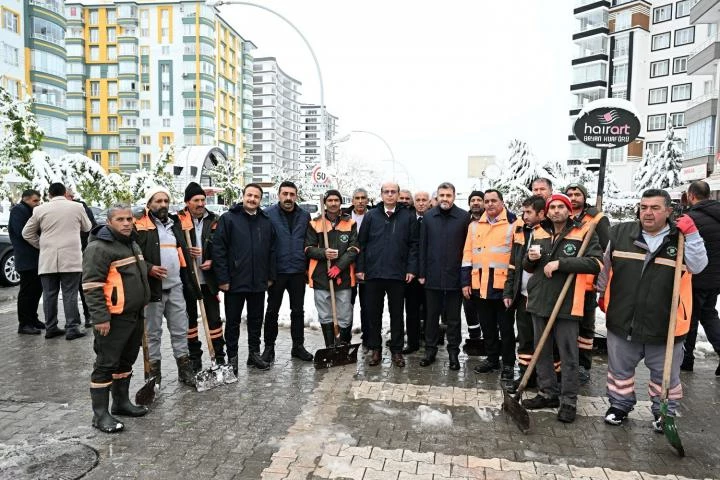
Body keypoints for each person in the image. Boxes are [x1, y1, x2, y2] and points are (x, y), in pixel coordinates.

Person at [598, 189, 707, 430]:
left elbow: (698, 266)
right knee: (620, 371)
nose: (648, 212)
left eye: (655, 208)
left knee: (664, 375)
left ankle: (663, 411)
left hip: (666, 322)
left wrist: (693, 234)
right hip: (623, 318)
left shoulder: (680, 238)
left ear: (668, 211)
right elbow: (606, 267)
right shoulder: (621, 233)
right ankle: (619, 405)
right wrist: (602, 294)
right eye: (644, 207)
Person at [521, 193, 603, 423]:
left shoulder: (583, 232)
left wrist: (561, 264)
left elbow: (596, 263)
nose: (556, 211)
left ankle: (569, 400)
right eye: (552, 207)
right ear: (546, 212)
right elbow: (527, 267)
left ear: (568, 210)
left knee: (568, 355)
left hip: (567, 302)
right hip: (539, 301)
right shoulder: (538, 232)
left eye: (561, 207)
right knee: (542, 351)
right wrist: (530, 258)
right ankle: (547, 393)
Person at [83, 205, 151, 433]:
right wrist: (100, 317)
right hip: (112, 319)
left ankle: (121, 403)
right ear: (109, 222)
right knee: (105, 364)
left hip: (133, 315)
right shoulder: (99, 248)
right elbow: (92, 286)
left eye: (129, 219)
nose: (126, 223)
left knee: (125, 362)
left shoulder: (131, 243)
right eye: (120, 219)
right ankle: (100, 415)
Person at [135, 186, 197, 387]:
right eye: (158, 201)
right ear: (149, 203)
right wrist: (149, 268)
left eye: (165, 201)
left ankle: (185, 371)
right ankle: (154, 375)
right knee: (153, 333)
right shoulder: (140, 224)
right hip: (153, 290)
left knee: (180, 329)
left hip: (176, 286)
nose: (163, 205)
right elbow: (131, 257)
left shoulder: (174, 224)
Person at [212, 184, 276, 374]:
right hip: (234, 281)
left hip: (258, 281)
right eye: (249, 195)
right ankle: (232, 358)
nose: (252, 199)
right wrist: (222, 278)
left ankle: (254, 354)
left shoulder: (266, 221)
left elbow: (272, 250)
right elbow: (219, 250)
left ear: (260, 199)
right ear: (243, 196)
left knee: (256, 320)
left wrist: (270, 276)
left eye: (256, 196)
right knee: (232, 322)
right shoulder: (229, 219)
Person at [357, 182, 419, 367]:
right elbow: (362, 243)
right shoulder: (371, 216)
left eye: (393, 192)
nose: (390, 195)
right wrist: (360, 268)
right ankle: (376, 349)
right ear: (381, 194)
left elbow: (414, 245)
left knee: (397, 314)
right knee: (373, 313)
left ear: (399, 195)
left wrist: (411, 269)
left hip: (397, 275)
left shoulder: (408, 217)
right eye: (386, 192)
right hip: (374, 274)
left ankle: (397, 350)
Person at [22, 182, 92, 340]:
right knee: (70, 294)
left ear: (49, 194)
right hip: (71, 257)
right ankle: (72, 328)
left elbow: (26, 233)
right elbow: (87, 227)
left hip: (48, 258)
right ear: (64, 192)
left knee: (49, 294)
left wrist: (41, 244)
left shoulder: (40, 209)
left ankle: (51, 327)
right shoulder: (77, 207)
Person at [462, 189, 517, 382]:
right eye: (487, 201)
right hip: (480, 284)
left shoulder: (513, 224)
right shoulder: (475, 226)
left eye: (494, 200)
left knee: (507, 329)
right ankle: (492, 359)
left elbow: (516, 258)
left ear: (502, 202)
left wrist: (511, 286)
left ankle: (509, 363)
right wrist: (465, 281)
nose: (490, 204)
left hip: (503, 287)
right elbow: (467, 255)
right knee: (488, 327)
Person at [261, 181, 313, 363]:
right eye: (285, 194)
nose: (288, 198)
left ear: (296, 196)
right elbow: (264, 245)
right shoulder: (268, 215)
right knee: (272, 311)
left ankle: (298, 346)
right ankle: (269, 348)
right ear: (279, 195)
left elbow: (309, 243)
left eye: (292, 194)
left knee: (298, 311)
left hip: (298, 271)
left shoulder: (305, 216)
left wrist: (307, 269)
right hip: (277, 271)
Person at [419, 182, 468, 370]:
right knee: (431, 317)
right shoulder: (429, 217)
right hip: (432, 276)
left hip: (455, 278)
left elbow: (467, 249)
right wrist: (422, 273)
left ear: (454, 196)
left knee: (454, 319)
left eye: (448, 195)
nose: (445, 199)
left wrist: (465, 277)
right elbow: (423, 246)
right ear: (437, 197)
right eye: (442, 195)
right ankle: (430, 351)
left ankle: (454, 353)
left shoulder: (464, 217)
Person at [177, 182, 226, 372]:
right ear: (187, 202)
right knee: (190, 322)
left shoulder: (214, 220)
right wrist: (186, 253)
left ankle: (219, 357)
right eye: (196, 200)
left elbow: (222, 246)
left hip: (208, 280)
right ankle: (194, 358)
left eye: (202, 200)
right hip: (188, 279)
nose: (200, 203)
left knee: (213, 319)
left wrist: (211, 259)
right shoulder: (178, 222)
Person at [565, 182, 610, 385]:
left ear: (584, 196)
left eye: (577, 194)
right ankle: (567, 361)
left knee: (585, 327)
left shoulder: (597, 219)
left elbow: (606, 249)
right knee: (567, 325)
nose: (573, 198)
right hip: (564, 281)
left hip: (586, 284)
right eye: (570, 194)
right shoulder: (562, 215)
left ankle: (583, 364)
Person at [305, 189, 360, 345]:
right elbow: (308, 248)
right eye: (330, 200)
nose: (333, 203)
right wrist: (324, 253)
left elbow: (354, 248)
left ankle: (342, 344)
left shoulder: (350, 223)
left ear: (340, 202)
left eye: (336, 200)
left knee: (344, 313)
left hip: (343, 277)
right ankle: (330, 346)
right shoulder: (315, 223)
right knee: (325, 314)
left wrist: (339, 267)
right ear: (325, 203)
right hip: (321, 276)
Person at [503, 195, 546, 391]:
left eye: (529, 212)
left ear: (541, 214)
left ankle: (548, 380)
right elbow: (513, 264)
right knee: (525, 337)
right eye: (524, 211)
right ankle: (525, 376)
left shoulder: (549, 233)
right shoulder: (521, 232)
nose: (524, 215)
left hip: (542, 296)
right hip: (522, 294)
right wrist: (509, 291)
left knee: (545, 340)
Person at [681, 180, 720, 375]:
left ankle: (686, 360)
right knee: (709, 313)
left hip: (695, 277)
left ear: (691, 196)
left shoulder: (690, 218)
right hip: (715, 278)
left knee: (690, 317)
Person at [9, 189, 44, 335]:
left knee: (36, 290)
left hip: (34, 258)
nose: (37, 204)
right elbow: (23, 232)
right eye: (34, 201)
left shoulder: (28, 210)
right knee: (27, 292)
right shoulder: (19, 210)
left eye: (38, 201)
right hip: (26, 259)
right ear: (25, 199)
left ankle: (32, 319)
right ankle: (24, 324)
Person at [66, 187, 98, 328]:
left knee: (84, 286)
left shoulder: (81, 206)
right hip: (65, 254)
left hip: (82, 251)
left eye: (72, 196)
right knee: (68, 291)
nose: (71, 199)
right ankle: (71, 321)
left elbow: (92, 226)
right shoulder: (52, 209)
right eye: (68, 196)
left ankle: (88, 315)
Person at [403, 190, 431, 354]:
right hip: (411, 273)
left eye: (424, 200)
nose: (421, 203)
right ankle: (412, 342)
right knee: (411, 310)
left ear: (429, 202)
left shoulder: (434, 219)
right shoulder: (408, 219)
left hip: (429, 273)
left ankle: (429, 341)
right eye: (418, 200)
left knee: (430, 310)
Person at [344, 188, 370, 350]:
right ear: (352, 200)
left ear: (367, 200)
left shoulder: (374, 216)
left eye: (363, 198)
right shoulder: (345, 217)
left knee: (367, 304)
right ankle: (345, 337)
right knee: (347, 303)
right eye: (357, 198)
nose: (360, 201)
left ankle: (368, 336)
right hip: (348, 267)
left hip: (368, 267)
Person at [463, 190, 485, 347]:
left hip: (486, 270)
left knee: (485, 306)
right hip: (467, 267)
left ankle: (490, 337)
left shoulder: (489, 220)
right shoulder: (464, 220)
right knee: (469, 303)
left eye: (479, 199)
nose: (476, 202)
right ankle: (474, 337)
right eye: (473, 200)